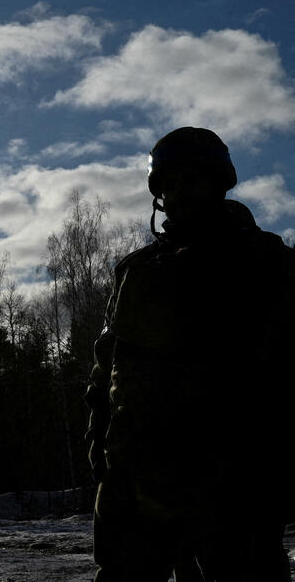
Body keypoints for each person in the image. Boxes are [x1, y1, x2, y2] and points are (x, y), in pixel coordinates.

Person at [85, 127, 295, 581]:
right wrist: (100, 448)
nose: (182, 192)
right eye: (170, 183)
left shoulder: (267, 261)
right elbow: (106, 368)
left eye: (194, 180)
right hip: (135, 475)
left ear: (219, 184)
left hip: (234, 475)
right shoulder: (135, 272)